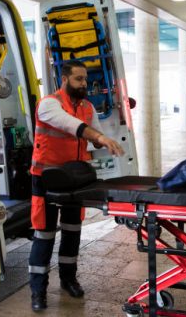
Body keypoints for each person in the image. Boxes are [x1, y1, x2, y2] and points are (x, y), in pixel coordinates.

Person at [28, 60, 124, 311]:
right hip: (45, 178)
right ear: (65, 79)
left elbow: (95, 138)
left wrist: (107, 142)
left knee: (72, 231)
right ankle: (37, 290)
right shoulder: (49, 104)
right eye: (78, 79)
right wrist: (98, 136)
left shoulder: (88, 107)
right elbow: (71, 126)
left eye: (85, 80)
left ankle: (68, 279)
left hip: (74, 180)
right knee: (44, 235)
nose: (84, 84)